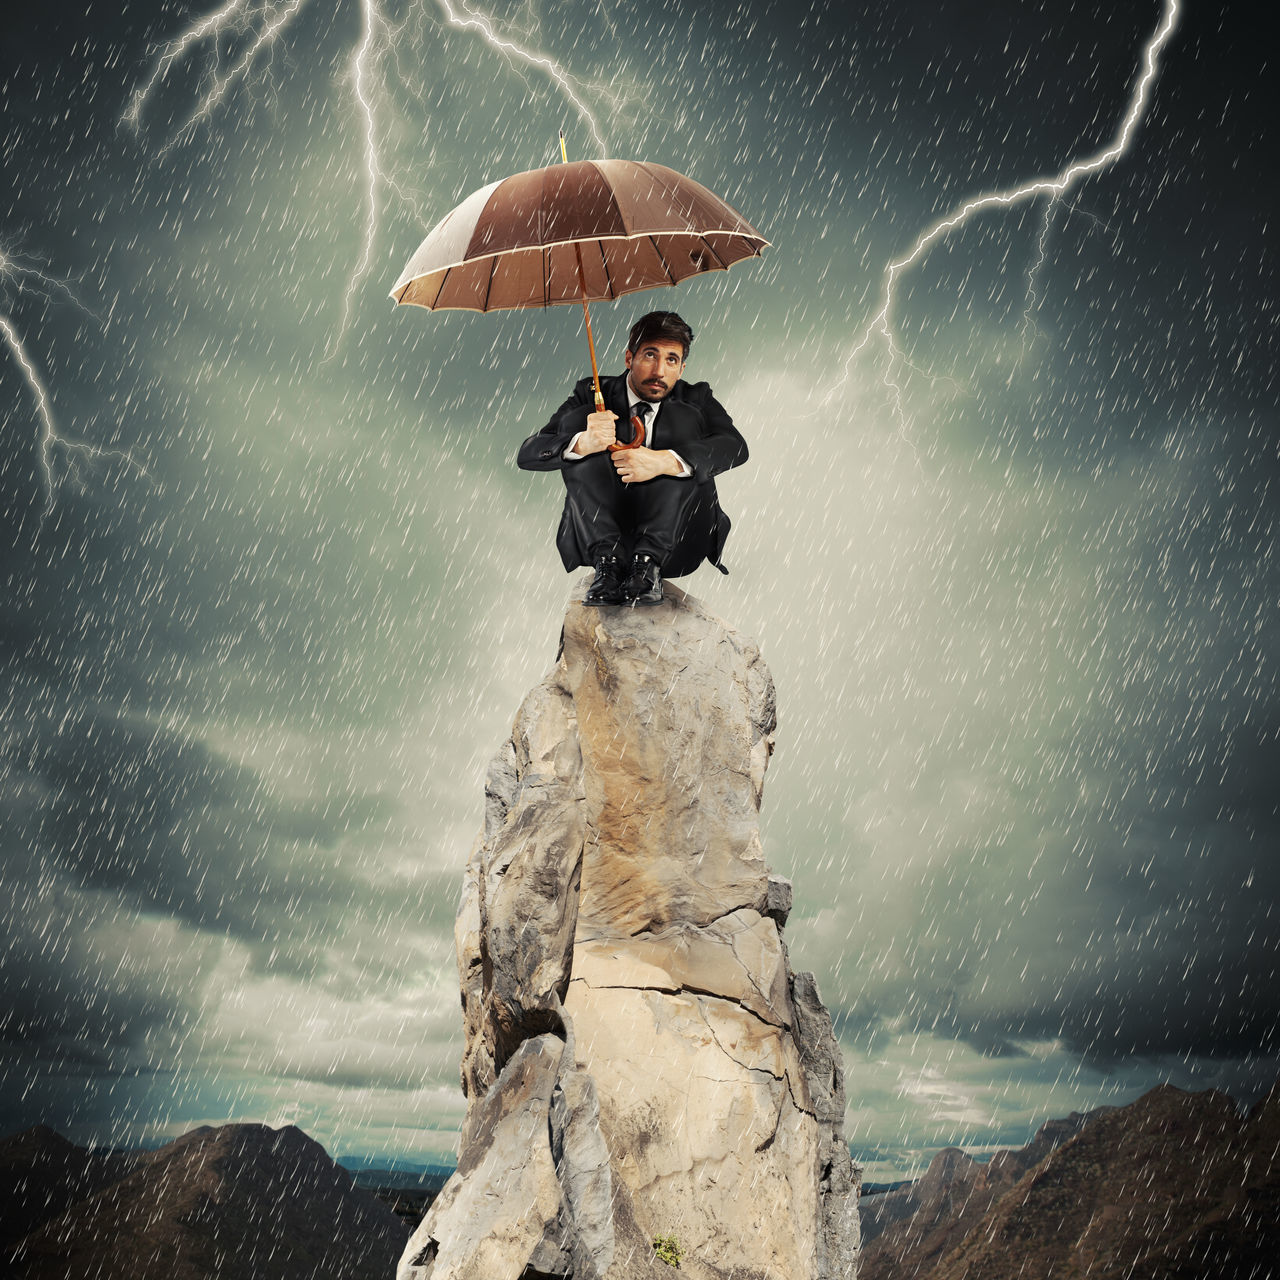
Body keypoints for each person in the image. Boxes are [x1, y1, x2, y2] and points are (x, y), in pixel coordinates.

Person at [517, 311, 748, 607]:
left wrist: (664, 461)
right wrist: (583, 442)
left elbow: (735, 446)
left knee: (687, 436)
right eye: (650, 355)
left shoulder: (696, 398)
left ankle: (648, 564)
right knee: (579, 424)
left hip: (678, 538)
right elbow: (530, 452)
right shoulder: (591, 392)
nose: (660, 371)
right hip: (602, 534)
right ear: (629, 358)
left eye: (671, 360)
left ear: (681, 367)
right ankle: (609, 562)